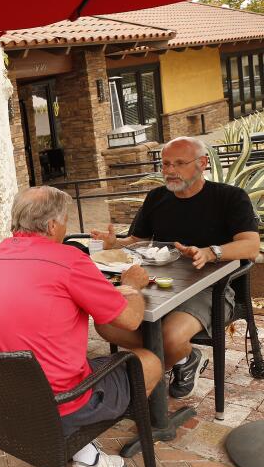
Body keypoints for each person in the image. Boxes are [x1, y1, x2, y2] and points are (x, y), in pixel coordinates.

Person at [0, 186, 162, 467]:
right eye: (65, 220)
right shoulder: (69, 259)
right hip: (55, 405)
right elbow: (130, 319)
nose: (66, 227)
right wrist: (132, 285)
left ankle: (86, 455)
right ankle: (84, 442)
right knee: (150, 362)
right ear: (51, 226)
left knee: (61, 357)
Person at [91, 136, 259, 399]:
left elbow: (250, 246)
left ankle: (158, 367)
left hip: (213, 288)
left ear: (202, 163)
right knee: (107, 323)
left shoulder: (229, 197)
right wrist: (115, 243)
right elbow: (137, 240)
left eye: (179, 163)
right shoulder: (157, 197)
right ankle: (184, 358)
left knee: (169, 336)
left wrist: (210, 252)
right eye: (165, 163)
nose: (169, 170)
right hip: (159, 284)